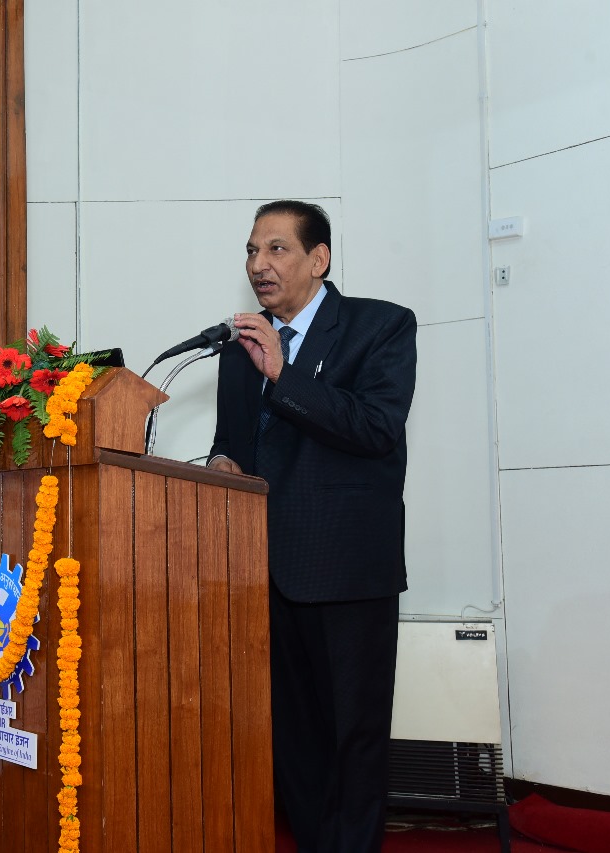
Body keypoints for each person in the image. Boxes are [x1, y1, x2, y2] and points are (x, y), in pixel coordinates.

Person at [208, 200, 417, 853]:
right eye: (252, 250)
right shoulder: (239, 350)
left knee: (353, 736)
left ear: (318, 258)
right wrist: (220, 462)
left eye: (276, 249)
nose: (258, 264)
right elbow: (231, 443)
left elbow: (375, 428)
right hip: (264, 571)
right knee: (292, 739)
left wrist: (284, 373)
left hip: (346, 569)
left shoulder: (380, 326)